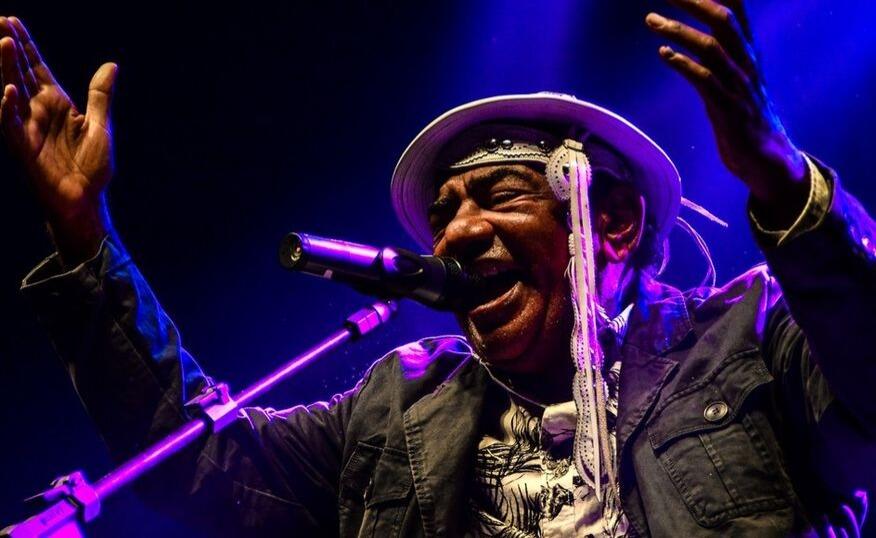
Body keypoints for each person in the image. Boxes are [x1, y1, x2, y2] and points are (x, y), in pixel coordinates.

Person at [1, 0, 874, 536]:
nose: (455, 233)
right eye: (444, 212)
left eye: (497, 194)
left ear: (610, 221)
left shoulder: (750, 341)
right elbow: (199, 467)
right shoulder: (398, 408)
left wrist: (781, 178)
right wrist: (84, 239)